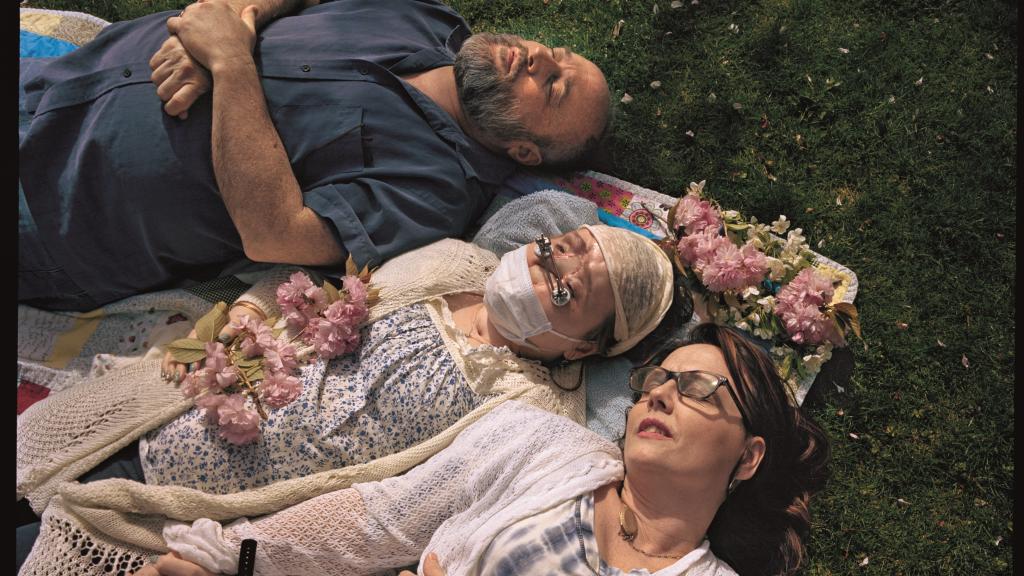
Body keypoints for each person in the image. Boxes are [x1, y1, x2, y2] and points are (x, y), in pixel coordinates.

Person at [16, 224, 675, 571]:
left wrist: (236, 553)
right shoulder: (452, 263)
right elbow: (307, 288)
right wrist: (247, 316)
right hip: (172, 399)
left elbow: (395, 516)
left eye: (565, 291)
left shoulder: (531, 415)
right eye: (559, 248)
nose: (543, 267)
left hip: (184, 519)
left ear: (584, 348)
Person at [46, 323, 828, 576]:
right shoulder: (535, 446)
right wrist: (228, 560)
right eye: (662, 377)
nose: (661, 392)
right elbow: (375, 521)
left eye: (700, 391)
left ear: (750, 457)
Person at [18, 0, 613, 312]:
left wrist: (229, 65)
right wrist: (234, 16)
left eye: (554, 86)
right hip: (48, 81)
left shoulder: (434, 193)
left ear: (523, 151)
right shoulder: (426, 16)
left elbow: (276, 235)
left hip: (54, 212)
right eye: (555, 52)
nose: (539, 56)